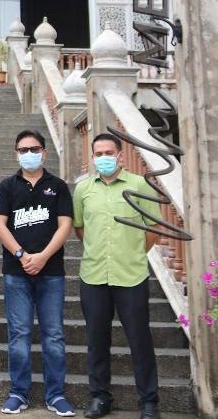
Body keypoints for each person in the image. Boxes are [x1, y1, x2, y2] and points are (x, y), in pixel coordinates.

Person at [73, 133, 162, 419]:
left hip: (131, 275)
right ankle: (100, 397)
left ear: (120, 155)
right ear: (92, 156)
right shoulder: (83, 189)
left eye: (108, 153)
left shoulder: (139, 185)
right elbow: (80, 229)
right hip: (94, 275)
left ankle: (149, 401)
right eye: (98, 153)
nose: (104, 158)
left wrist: (132, 252)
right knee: (97, 340)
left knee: (140, 340)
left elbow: (153, 230)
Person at [0, 129, 74, 416]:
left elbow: (65, 225)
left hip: (51, 272)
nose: (29, 154)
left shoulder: (59, 186)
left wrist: (42, 257)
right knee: (19, 334)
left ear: (44, 152)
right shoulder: (7, 186)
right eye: (23, 149)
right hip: (16, 271)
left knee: (53, 334)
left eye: (34, 148)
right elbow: (0, 225)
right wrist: (22, 255)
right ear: (17, 153)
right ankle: (19, 393)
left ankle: (56, 395)